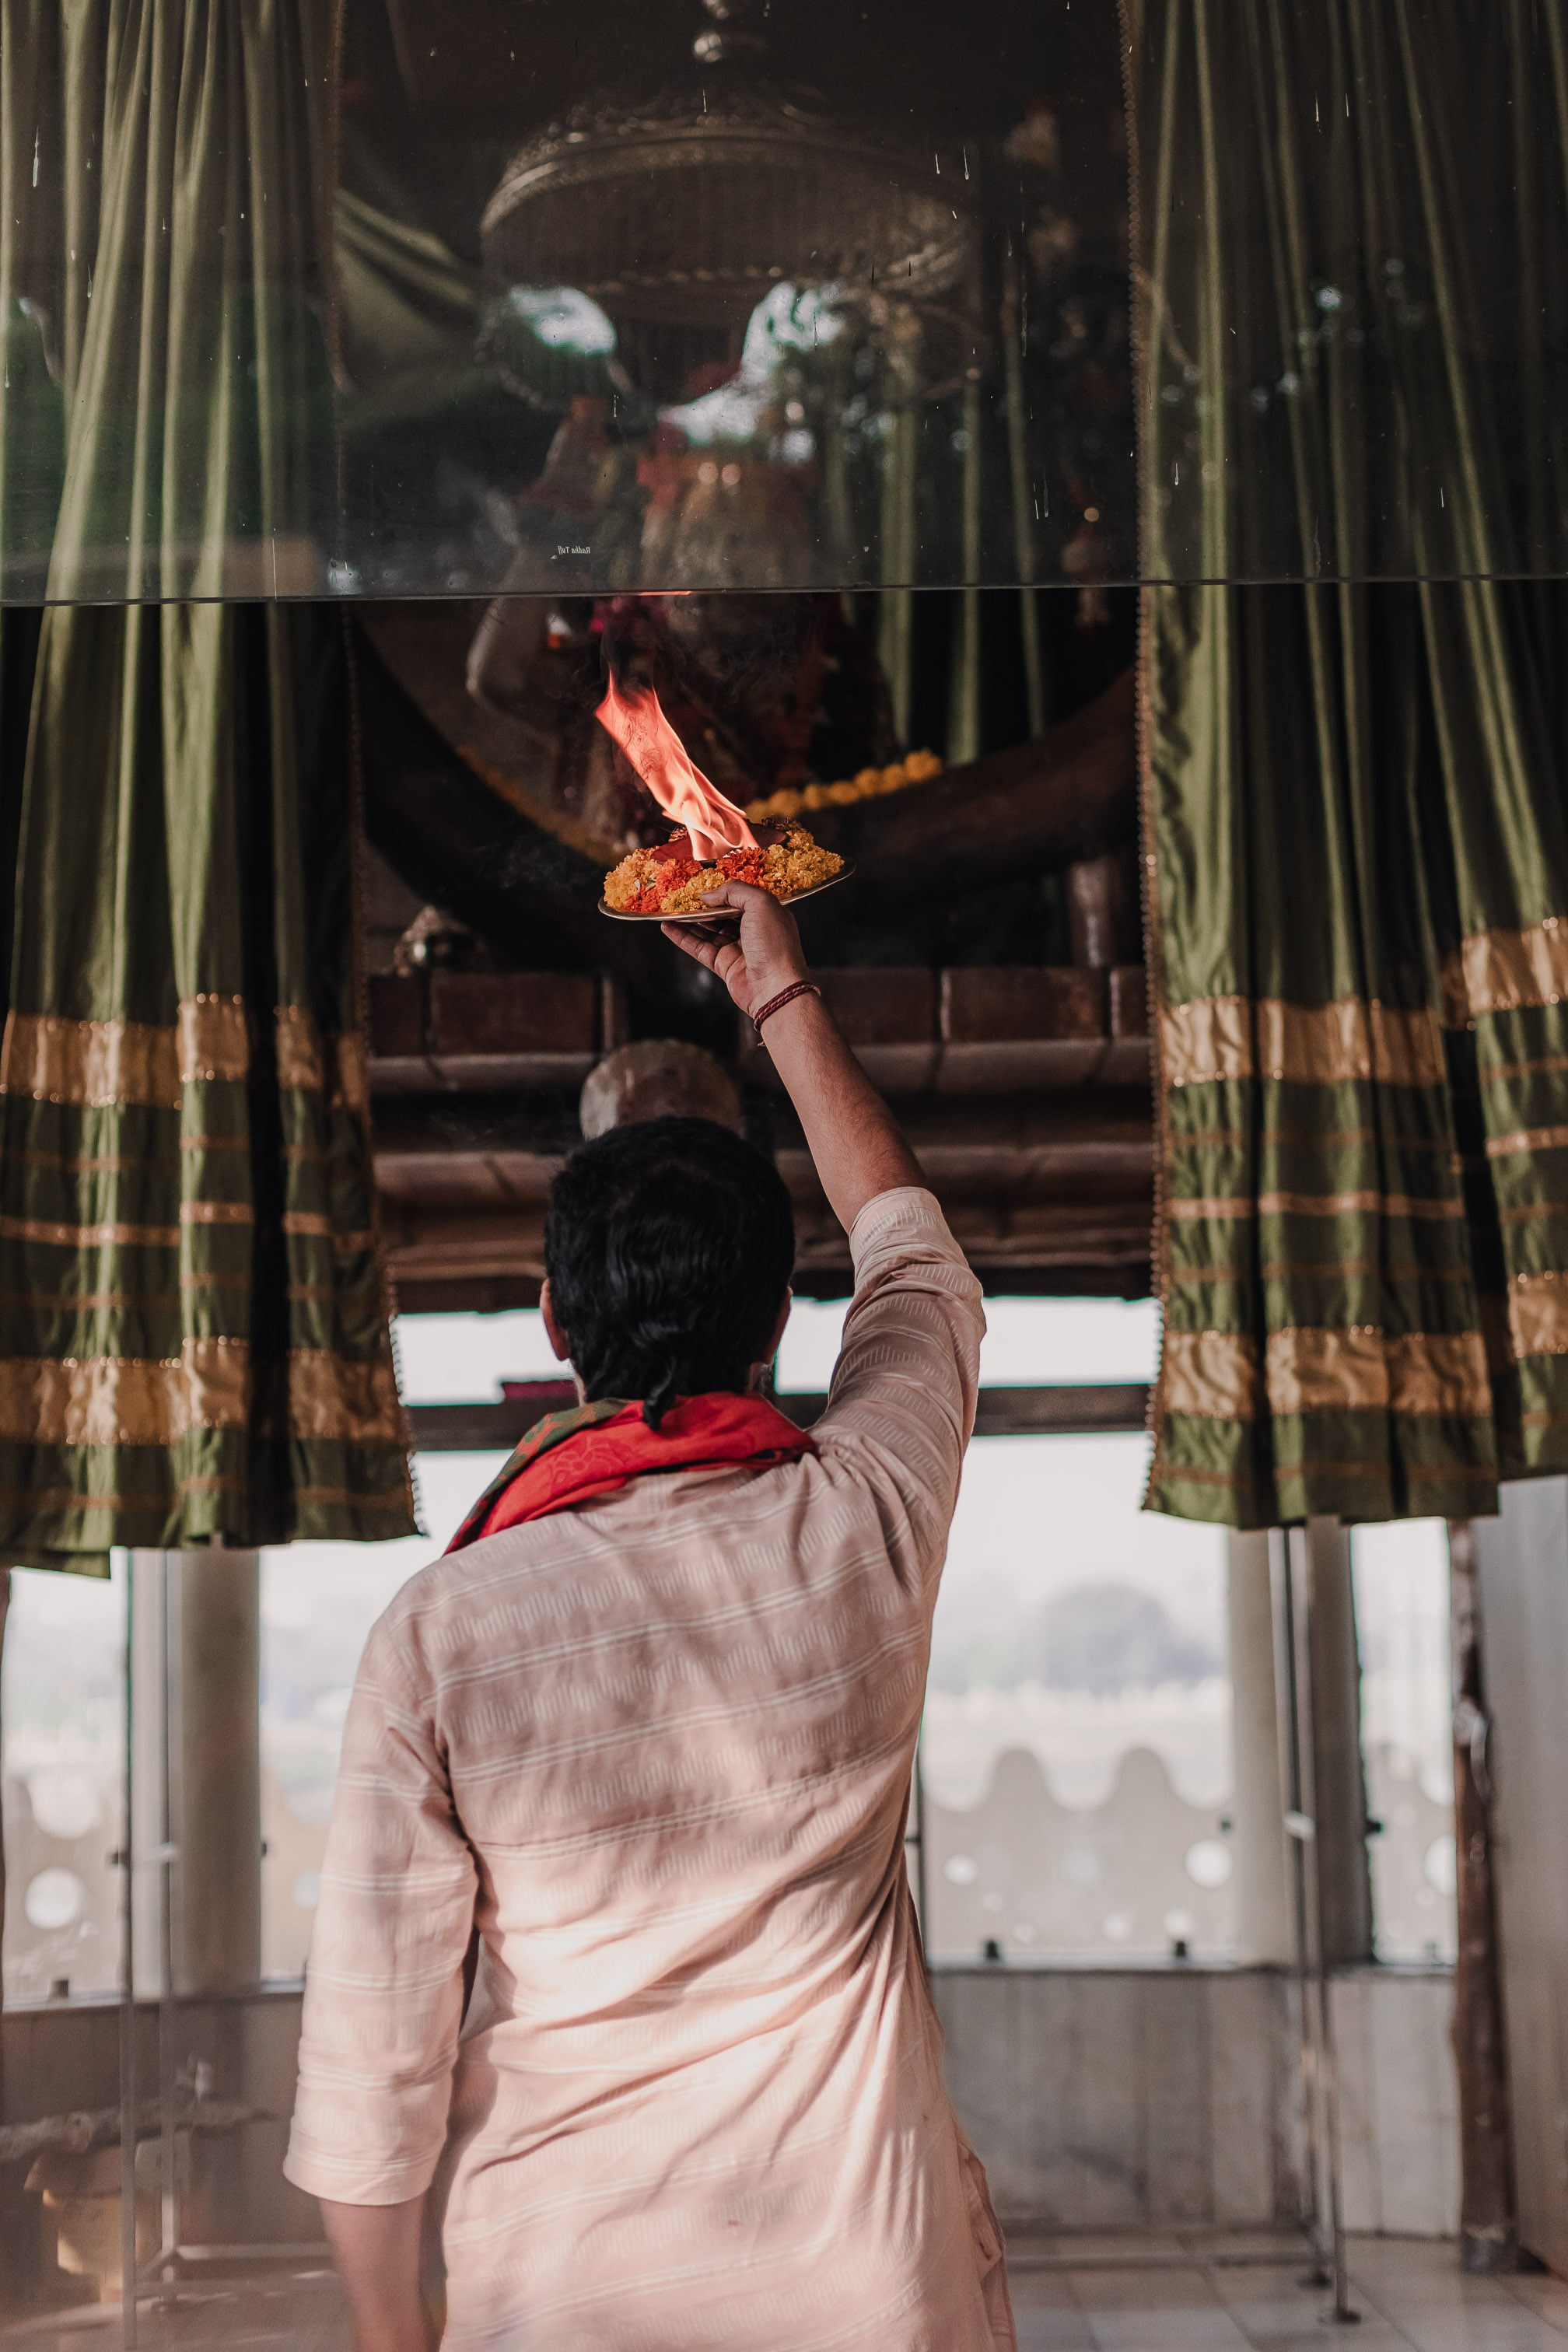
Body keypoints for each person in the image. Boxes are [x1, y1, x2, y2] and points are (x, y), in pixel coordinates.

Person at [285, 882, 1017, 2352]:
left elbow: (375, 2061)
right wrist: (779, 991)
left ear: (556, 1327)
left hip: (564, 2300)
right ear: (779, 1323)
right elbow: (915, 1255)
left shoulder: (439, 1633)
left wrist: (386, 2335)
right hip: (871, 2300)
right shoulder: (860, 1522)